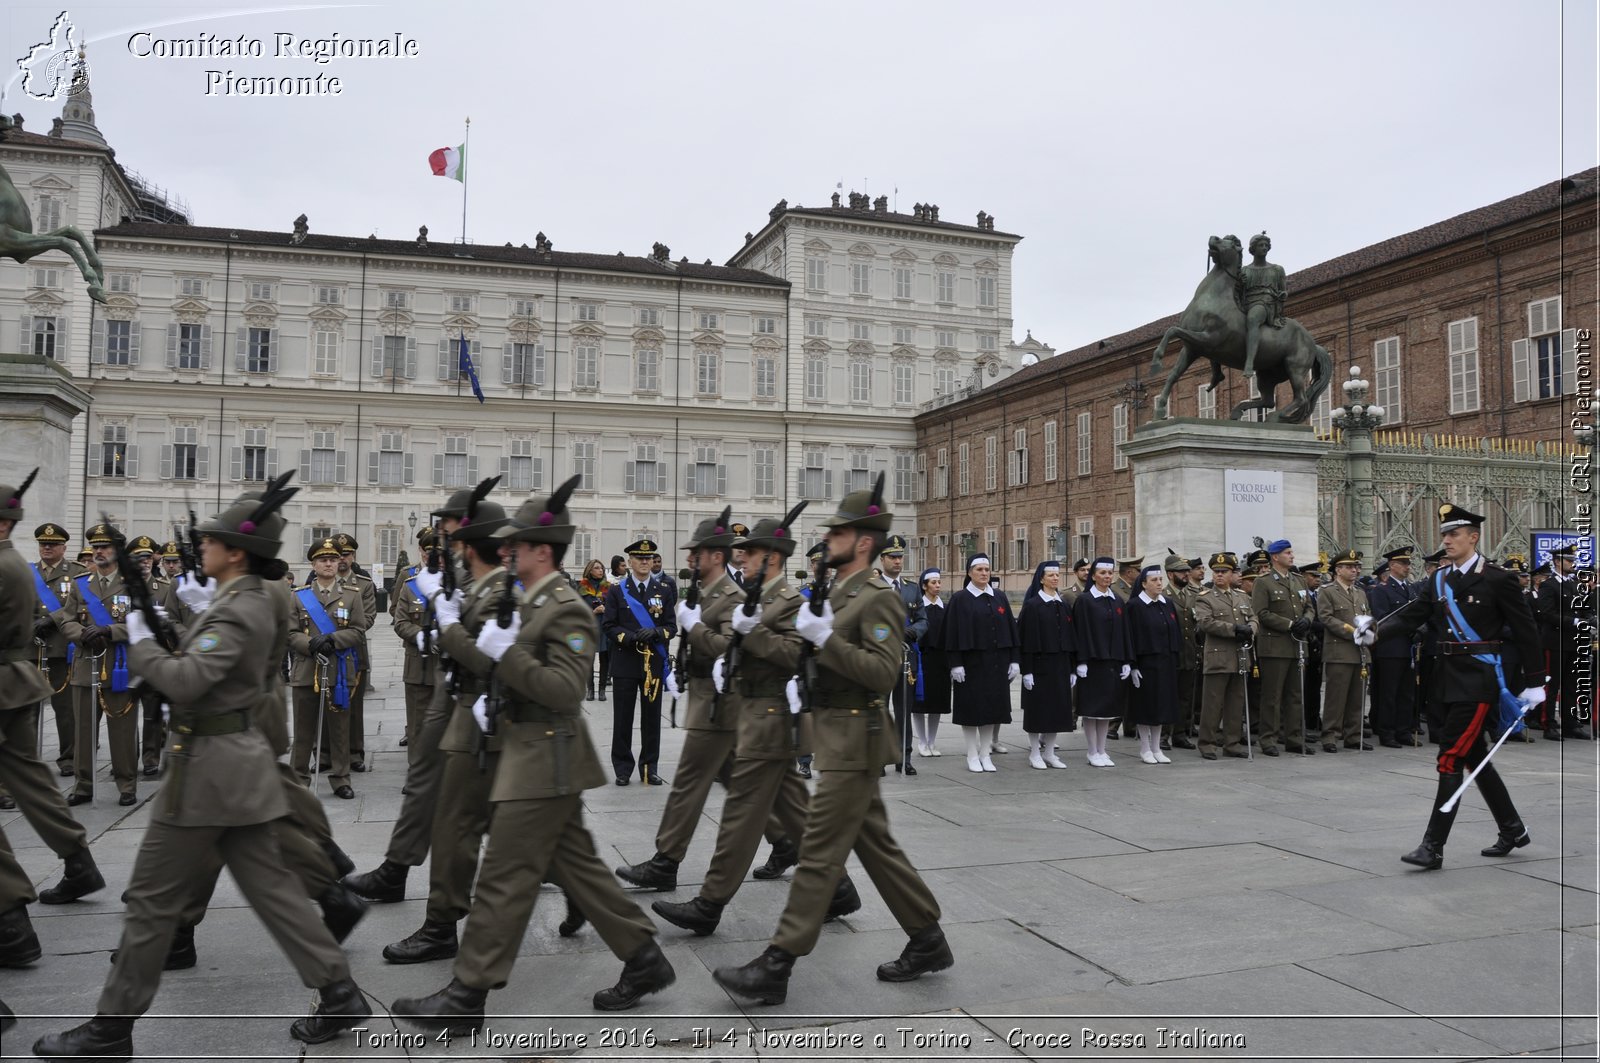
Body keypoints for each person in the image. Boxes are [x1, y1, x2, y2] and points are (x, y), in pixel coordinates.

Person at [33, 477, 374, 1059]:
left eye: (212, 539)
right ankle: (339, 992)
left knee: (151, 898)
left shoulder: (240, 608)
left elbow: (187, 680)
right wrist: (176, 626)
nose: (203, 545)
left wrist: (141, 642)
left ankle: (111, 1027)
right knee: (274, 894)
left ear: (236, 552)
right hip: (233, 770)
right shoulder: (234, 601)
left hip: (209, 773)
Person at [393, 477, 675, 1031]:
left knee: (502, 876)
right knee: (580, 868)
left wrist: (505, 661)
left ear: (541, 551)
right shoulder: (528, 598)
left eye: (516, 546)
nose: (507, 553)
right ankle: (644, 959)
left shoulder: (566, 607)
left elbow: (565, 691)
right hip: (527, 748)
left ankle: (467, 995)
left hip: (546, 755)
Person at [713, 475, 950, 1006]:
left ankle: (777, 964)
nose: (830, 540)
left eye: (838, 533)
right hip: (836, 733)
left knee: (818, 852)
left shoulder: (878, 599)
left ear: (861, 541)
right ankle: (928, 939)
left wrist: (826, 643)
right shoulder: (840, 591)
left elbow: (883, 674)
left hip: (857, 737)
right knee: (878, 846)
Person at [651, 504, 843, 937]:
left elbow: (795, 653)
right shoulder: (762, 599)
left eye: (750, 553)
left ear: (771, 558)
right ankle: (839, 888)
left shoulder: (791, 601)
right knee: (796, 814)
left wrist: (748, 634)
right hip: (754, 717)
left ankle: (710, 904)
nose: (742, 558)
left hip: (773, 720)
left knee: (740, 818)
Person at [1367, 503, 1546, 870]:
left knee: (1450, 755)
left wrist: (1533, 682)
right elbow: (1413, 615)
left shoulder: (1498, 579)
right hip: (1445, 678)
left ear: (1473, 537)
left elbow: (1527, 631)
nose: (1446, 540)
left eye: (1454, 534)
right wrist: (1375, 632)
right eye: (1445, 534)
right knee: (1473, 757)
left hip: (1479, 682)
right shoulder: (1439, 580)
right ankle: (1512, 829)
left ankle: (1432, 846)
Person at [343, 487, 473, 904]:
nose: (440, 538)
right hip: (429, 671)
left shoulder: (475, 576)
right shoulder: (418, 579)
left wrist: (448, 634)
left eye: (447, 527)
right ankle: (396, 870)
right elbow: (399, 620)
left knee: (474, 806)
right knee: (422, 777)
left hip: (468, 689)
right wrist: (426, 637)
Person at [0, 474, 106, 974]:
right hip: (15, 680)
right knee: (30, 777)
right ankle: (78, 859)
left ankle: (9, 918)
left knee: (27, 776)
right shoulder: (17, 566)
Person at [615, 510, 753, 890]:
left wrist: (694, 627)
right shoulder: (703, 593)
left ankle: (665, 862)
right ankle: (799, 850)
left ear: (716, 556)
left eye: (698, 552)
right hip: (708, 703)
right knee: (758, 794)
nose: (691, 558)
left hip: (719, 706)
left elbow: (729, 649)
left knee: (689, 783)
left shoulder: (732, 597)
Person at [54, 523, 140, 806]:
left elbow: (144, 625)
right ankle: (83, 785)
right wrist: (82, 635)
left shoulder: (133, 583)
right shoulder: (81, 584)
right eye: (96, 547)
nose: (99, 552)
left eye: (105, 547)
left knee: (122, 730)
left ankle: (126, 784)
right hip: (84, 663)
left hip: (119, 665)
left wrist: (110, 631)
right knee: (83, 730)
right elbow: (66, 620)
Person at [286, 538, 365, 798]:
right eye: (323, 560)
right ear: (314, 564)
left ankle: (341, 778)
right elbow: (289, 632)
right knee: (303, 730)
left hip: (339, 671)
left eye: (333, 559)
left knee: (340, 728)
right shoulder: (299, 597)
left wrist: (332, 639)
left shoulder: (352, 595)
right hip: (307, 669)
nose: (329, 563)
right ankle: (299, 779)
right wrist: (311, 644)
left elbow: (357, 631)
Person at [601, 539, 677, 786]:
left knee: (651, 718)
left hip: (652, 662)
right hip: (625, 661)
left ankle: (649, 768)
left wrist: (656, 634)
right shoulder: (616, 591)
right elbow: (609, 626)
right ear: (630, 562)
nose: (645, 562)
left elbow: (671, 626)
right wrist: (630, 637)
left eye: (649, 558)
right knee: (623, 718)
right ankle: (623, 769)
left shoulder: (663, 590)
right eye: (639, 558)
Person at [944, 554, 1019, 772]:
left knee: (992, 710)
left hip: (996, 663)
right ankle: (972, 754)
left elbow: (1011, 630)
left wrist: (1014, 659)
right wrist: (955, 663)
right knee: (971, 711)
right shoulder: (960, 599)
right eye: (979, 570)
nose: (984, 573)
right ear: (969, 573)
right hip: (971, 664)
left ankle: (986, 753)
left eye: (987, 569)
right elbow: (951, 633)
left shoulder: (999, 596)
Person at [29, 522, 84, 778]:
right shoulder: (26, 573)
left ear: (64, 547)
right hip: (32, 649)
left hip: (62, 648)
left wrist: (53, 619)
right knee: (28, 708)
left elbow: (80, 606)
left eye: (52, 544)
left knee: (65, 709)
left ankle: (69, 757)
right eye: (43, 544)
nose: (46, 548)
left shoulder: (76, 573)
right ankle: (27, 759)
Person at [1251, 538, 1316, 756]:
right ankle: (1268, 739)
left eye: (1291, 552)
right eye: (1288, 553)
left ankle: (1294, 738)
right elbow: (1261, 613)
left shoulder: (1298, 580)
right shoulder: (1264, 582)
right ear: (1275, 557)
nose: (1292, 556)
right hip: (1275, 647)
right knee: (1272, 696)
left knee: (1295, 695)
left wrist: (1306, 620)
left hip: (1297, 646)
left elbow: (1308, 606)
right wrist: (1289, 625)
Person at [1192, 552, 1257, 761]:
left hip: (1240, 657)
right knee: (1212, 704)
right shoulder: (1205, 597)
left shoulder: (1241, 596)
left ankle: (1232, 742)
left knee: (1235, 704)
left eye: (1224, 572)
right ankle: (1207, 743)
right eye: (1216, 572)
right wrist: (1234, 629)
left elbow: (1254, 617)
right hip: (1218, 657)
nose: (1219, 575)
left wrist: (1251, 629)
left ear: (1232, 574)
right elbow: (1206, 623)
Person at [1071, 558, 1134, 767]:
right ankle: (1092, 750)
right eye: (1102, 573)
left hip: (1112, 661)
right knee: (1092, 709)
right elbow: (1080, 632)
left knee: (1107, 708)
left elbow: (1124, 631)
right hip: (1092, 662)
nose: (1107, 577)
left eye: (1110, 573)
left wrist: (1126, 659)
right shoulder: (1085, 600)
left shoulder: (1116, 600)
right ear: (1094, 576)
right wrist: (1081, 661)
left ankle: (1102, 749)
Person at [390, 527, 444, 747]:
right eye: (429, 552)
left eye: (439, 552)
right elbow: (398, 617)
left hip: (448, 662)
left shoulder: (458, 584)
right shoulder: (409, 581)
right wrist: (423, 636)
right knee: (417, 722)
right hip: (417, 661)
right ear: (422, 551)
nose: (434, 557)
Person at [1017, 560, 1074, 769]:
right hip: (1039, 666)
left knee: (1057, 711)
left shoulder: (1062, 604)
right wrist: (1027, 670)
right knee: (1038, 711)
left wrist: (1072, 667)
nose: (1055, 578)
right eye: (1051, 575)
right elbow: (1027, 639)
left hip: (1060, 665)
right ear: (1041, 578)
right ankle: (1034, 752)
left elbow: (1070, 637)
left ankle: (1049, 752)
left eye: (1057, 575)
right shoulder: (1033, 605)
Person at [878, 534, 927, 776]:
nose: (897, 562)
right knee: (879, 710)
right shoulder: (872, 587)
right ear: (882, 559)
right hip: (879, 657)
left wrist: (912, 631)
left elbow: (923, 620)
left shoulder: (911, 589)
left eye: (900, 557)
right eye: (892, 557)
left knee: (903, 710)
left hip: (906, 659)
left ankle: (904, 757)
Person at [1317, 549, 1373, 752]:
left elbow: (1368, 617)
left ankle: (1353, 735)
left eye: (1356, 567)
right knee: (1336, 697)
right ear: (1338, 570)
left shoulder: (1360, 592)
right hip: (1339, 651)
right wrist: (1351, 632)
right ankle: (1330, 735)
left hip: (1360, 652)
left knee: (1357, 698)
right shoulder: (1328, 591)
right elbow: (1326, 617)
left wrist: (1370, 631)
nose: (1354, 570)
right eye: (1349, 567)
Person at [1127, 565, 1182, 764]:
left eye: (1160, 580)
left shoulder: (1167, 603)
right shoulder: (1135, 606)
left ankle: (1157, 747)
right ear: (1143, 584)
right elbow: (1130, 637)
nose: (1159, 584)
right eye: (1154, 580)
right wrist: (1132, 665)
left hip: (1165, 661)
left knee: (1161, 707)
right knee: (1146, 707)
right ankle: (1144, 748)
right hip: (1145, 663)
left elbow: (1174, 631)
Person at [1367, 545, 1421, 747]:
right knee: (1389, 693)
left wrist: (1418, 630)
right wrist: (1407, 627)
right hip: (1390, 648)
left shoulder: (1410, 589)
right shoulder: (1382, 590)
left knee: (1406, 693)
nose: (1408, 567)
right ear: (1392, 565)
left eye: (1408, 563)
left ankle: (1403, 730)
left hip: (1408, 647)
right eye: (1404, 563)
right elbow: (1382, 620)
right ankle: (1387, 732)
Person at [1535, 543, 1590, 740]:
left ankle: (1569, 723)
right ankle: (1548, 723)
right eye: (1568, 561)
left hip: (1572, 641)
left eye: (1573, 561)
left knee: (1570, 684)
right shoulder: (1549, 585)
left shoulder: (1573, 583)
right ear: (1557, 562)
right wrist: (1574, 621)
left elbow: (1581, 607)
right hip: (1555, 641)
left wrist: (1589, 618)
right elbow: (1546, 614)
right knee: (1552, 685)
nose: (1572, 564)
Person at [332, 533, 376, 772]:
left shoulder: (364, 584)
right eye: (336, 555)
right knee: (328, 704)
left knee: (354, 706)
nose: (341, 559)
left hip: (354, 652)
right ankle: (326, 752)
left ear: (353, 556)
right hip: (326, 654)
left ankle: (355, 752)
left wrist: (337, 634)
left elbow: (367, 619)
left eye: (346, 554)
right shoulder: (317, 582)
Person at [911, 568, 949, 757]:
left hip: (940, 660)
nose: (937, 586)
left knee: (936, 703)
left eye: (939, 582)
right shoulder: (919, 607)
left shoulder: (945, 607)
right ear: (924, 586)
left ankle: (932, 741)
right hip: (922, 660)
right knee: (919, 704)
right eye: (933, 583)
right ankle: (922, 742)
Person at [1165, 553, 1201, 750]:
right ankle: (1163, 735)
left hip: (1188, 653)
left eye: (1187, 571)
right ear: (1171, 574)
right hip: (1172, 654)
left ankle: (1179, 734)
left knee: (1185, 698)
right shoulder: (1163, 596)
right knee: (1168, 696)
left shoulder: (1192, 595)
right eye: (1182, 572)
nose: (1187, 574)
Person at [1241, 231, 1288, 381]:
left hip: (1265, 303)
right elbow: (1237, 291)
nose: (1264, 248)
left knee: (1253, 319)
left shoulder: (1277, 269)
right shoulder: (1245, 271)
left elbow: (1283, 290)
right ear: (1253, 249)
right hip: (1245, 302)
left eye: (1266, 245)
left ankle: (1249, 362)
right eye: (1261, 245)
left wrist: (1283, 295)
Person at [578, 558, 610, 700]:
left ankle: (602, 689)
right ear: (590, 570)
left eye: (602, 568)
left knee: (605, 658)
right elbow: (577, 610)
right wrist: (594, 612)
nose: (600, 570)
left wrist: (606, 609)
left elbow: (616, 608)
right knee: (588, 659)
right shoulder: (581, 587)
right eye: (597, 568)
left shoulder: (609, 587)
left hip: (605, 627)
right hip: (588, 626)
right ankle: (590, 689)